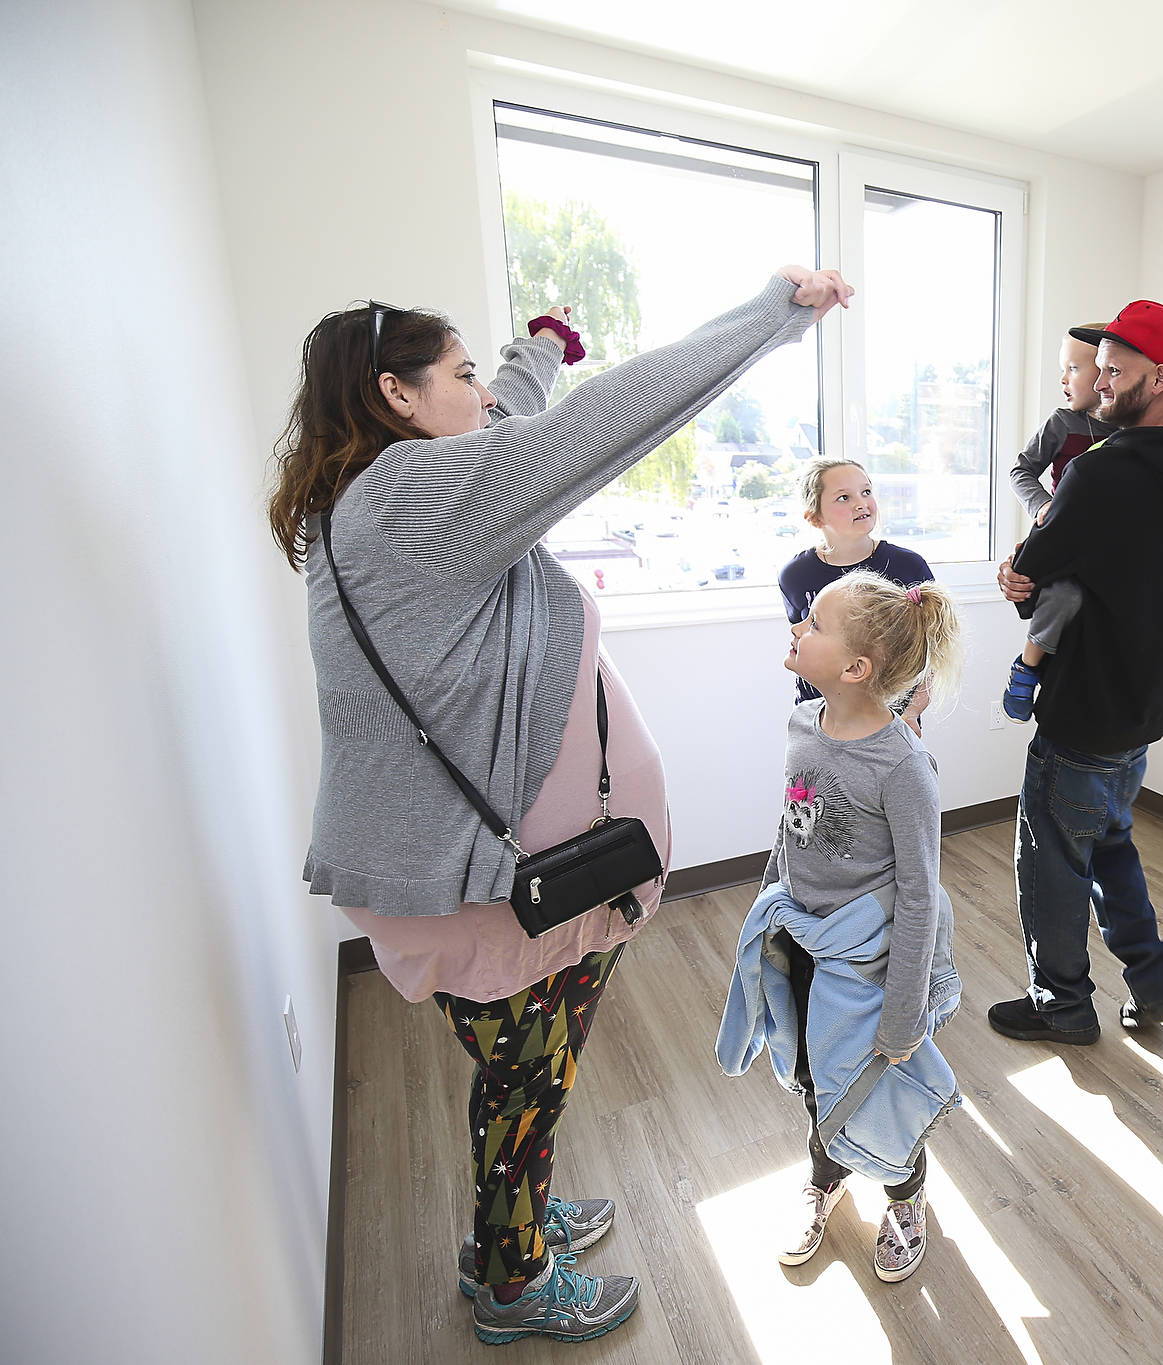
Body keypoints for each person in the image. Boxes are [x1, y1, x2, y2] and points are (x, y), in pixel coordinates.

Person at [271, 264, 852, 1345]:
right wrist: (776, 314)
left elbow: (518, 415)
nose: (482, 397)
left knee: (513, 1071)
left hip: (442, 877)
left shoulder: (376, 501)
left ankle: (519, 1214)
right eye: (458, 375)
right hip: (496, 893)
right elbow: (595, 427)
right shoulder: (416, 497)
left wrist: (537, 344)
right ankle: (510, 1276)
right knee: (525, 1088)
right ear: (398, 398)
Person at [986, 301, 1163, 1044]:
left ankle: (1060, 1003)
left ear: (1158, 379)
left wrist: (1015, 571)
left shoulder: (1098, 474)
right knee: (1110, 842)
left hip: (1084, 707)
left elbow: (1032, 571)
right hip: (1144, 706)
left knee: (1054, 860)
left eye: (1115, 372)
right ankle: (1155, 984)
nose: (1098, 385)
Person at [718, 571, 965, 1283]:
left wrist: (903, 1014)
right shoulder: (803, 723)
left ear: (856, 668)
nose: (797, 626)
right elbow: (790, 826)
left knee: (874, 1084)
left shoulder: (903, 765)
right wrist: (769, 906)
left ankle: (904, 1194)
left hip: (867, 966)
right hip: (801, 941)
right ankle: (824, 1176)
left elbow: (919, 894)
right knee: (811, 1076)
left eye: (813, 623)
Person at [999, 326, 1114, 721]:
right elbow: (1021, 469)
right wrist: (1041, 506)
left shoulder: (1134, 433)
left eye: (1073, 368)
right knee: (1064, 597)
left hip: (1105, 550)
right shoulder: (1064, 423)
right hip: (1062, 537)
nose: (1064, 380)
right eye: (1062, 369)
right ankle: (1026, 669)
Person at [777, 458, 935, 731]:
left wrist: (911, 713)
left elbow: (933, 653)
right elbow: (802, 645)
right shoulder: (795, 575)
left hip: (891, 721)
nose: (861, 503)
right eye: (843, 497)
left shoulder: (908, 566)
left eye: (866, 492)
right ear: (815, 517)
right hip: (820, 721)